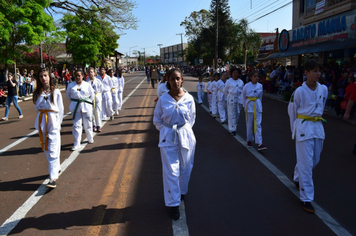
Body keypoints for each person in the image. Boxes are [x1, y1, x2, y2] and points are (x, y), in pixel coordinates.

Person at [153, 68, 196, 221]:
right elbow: (157, 120)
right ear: (168, 81)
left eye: (178, 78)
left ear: (182, 79)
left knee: (186, 166)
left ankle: (182, 191)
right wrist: (168, 131)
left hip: (185, 135)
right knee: (171, 170)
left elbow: (191, 119)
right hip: (168, 136)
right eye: (172, 79)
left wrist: (182, 130)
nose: (175, 81)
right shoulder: (163, 100)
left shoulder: (189, 99)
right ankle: (173, 204)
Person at [288, 59, 328, 214]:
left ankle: (297, 176)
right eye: (314, 71)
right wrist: (295, 130)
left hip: (317, 127)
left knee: (314, 160)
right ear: (306, 73)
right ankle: (306, 197)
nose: (318, 74)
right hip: (304, 126)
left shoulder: (323, 89)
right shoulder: (299, 91)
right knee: (305, 163)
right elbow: (292, 111)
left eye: (319, 71)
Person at [33, 68, 64, 188]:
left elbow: (60, 109)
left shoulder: (55, 92)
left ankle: (52, 178)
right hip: (42, 121)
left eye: (45, 75)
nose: (43, 78)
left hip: (53, 122)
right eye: (41, 76)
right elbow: (36, 108)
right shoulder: (37, 93)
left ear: (49, 77)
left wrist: (58, 124)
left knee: (52, 149)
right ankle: (57, 167)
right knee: (45, 147)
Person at [67, 69, 95, 151]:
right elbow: (68, 96)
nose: (77, 77)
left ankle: (90, 138)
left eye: (79, 75)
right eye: (76, 76)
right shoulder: (71, 85)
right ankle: (76, 143)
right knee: (76, 125)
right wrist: (75, 102)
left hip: (86, 106)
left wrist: (87, 102)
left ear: (83, 76)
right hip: (75, 107)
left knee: (88, 123)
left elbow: (92, 95)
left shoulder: (87, 85)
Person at [242, 70, 266, 151]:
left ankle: (260, 143)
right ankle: (249, 140)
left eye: (257, 76)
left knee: (258, 124)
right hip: (249, 106)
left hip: (257, 105)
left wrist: (259, 105)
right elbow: (243, 96)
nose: (256, 78)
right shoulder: (246, 86)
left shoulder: (260, 86)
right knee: (249, 125)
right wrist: (245, 106)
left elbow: (260, 97)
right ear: (251, 77)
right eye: (255, 76)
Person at [224, 68, 244, 135]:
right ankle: (232, 129)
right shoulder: (229, 81)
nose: (235, 74)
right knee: (231, 114)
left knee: (237, 114)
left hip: (239, 99)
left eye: (237, 73)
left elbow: (242, 91)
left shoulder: (241, 82)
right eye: (234, 73)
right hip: (231, 98)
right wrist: (229, 97)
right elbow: (225, 91)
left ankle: (234, 125)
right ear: (232, 74)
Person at [87, 67, 103, 132]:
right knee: (91, 112)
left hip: (97, 98)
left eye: (91, 72)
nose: (90, 73)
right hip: (90, 98)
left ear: (94, 73)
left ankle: (99, 125)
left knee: (97, 111)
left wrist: (97, 95)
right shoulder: (86, 82)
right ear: (87, 74)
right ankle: (94, 125)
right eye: (89, 72)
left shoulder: (98, 81)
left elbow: (101, 89)